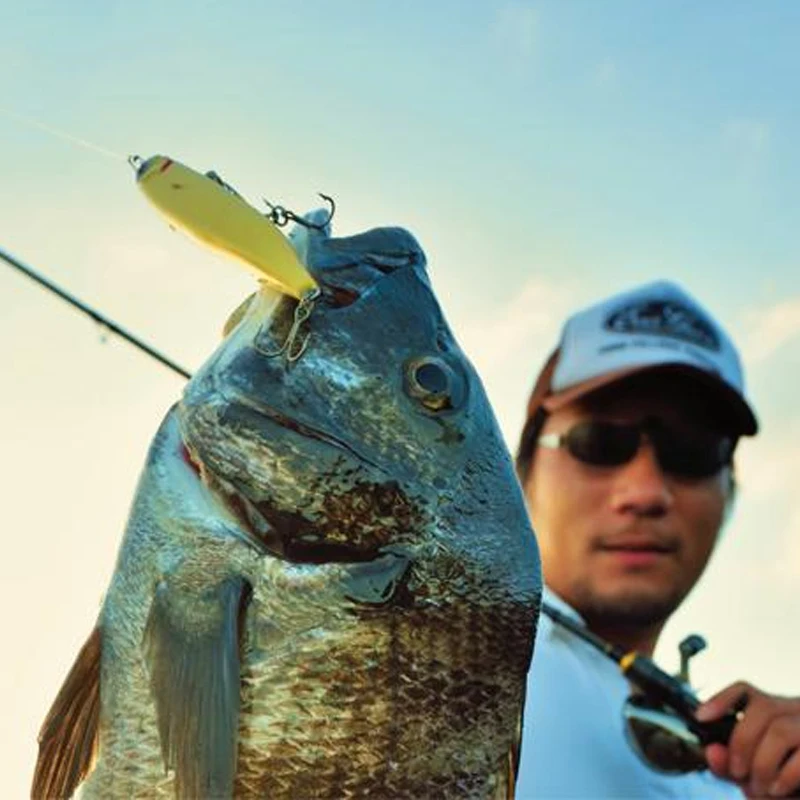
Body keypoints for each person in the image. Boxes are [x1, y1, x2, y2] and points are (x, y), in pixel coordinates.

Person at [514, 280, 800, 799]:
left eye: (692, 452)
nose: (645, 492)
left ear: (730, 492)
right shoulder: (407, 667)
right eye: (601, 443)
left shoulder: (736, 780)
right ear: (522, 472)